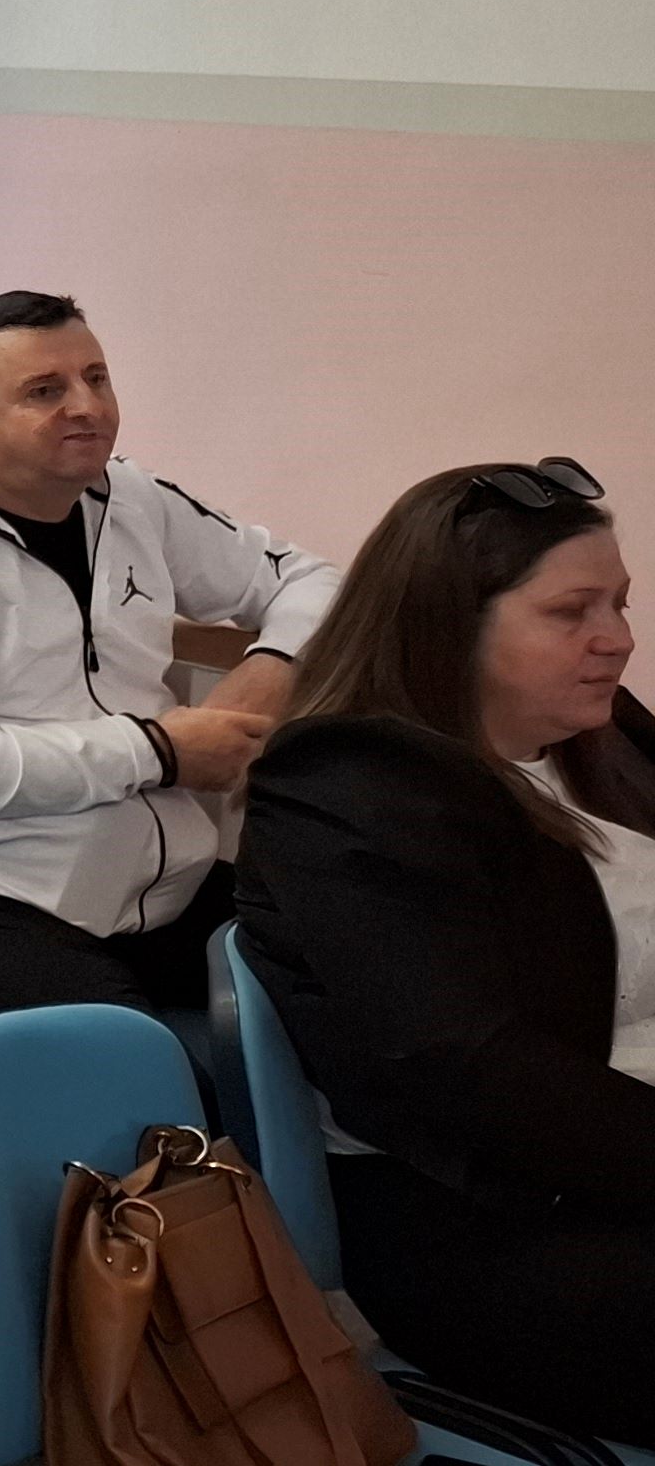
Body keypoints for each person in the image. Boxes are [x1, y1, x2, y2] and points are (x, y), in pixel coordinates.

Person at [237, 458, 654, 1440]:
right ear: (451, 625)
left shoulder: (601, 735)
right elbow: (472, 1070)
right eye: (572, 612)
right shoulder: (350, 782)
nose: (618, 639)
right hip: (492, 1223)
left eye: (621, 603)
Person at [0, 291, 336, 1015]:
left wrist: (269, 670)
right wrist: (161, 751)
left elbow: (315, 581)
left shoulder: (128, 498)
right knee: (117, 1048)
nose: (86, 407)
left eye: (96, 378)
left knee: (348, 963)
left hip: (134, 881)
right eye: (44, 391)